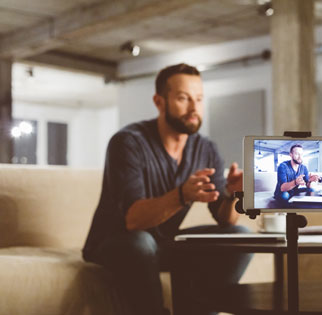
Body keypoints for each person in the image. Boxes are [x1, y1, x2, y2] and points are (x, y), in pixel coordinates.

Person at [82, 63, 252, 315]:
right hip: (115, 243)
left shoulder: (206, 149)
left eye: (199, 99)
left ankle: (201, 310)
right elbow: (134, 220)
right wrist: (182, 195)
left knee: (240, 235)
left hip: (164, 242)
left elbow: (224, 219)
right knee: (141, 242)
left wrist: (232, 194)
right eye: (183, 98)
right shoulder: (128, 143)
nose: (194, 108)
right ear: (159, 101)